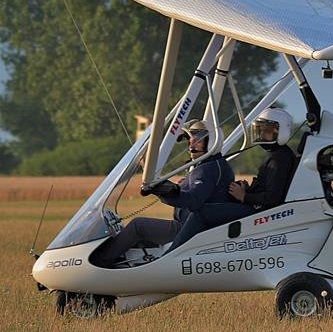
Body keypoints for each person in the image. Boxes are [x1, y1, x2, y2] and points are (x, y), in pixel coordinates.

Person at [94, 119, 233, 266]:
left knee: (138, 226)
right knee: (138, 235)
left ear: (211, 141)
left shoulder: (208, 168)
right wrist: (171, 188)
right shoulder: (210, 165)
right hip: (190, 225)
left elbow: (193, 201)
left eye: (198, 139)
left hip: (189, 229)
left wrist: (165, 191)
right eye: (189, 139)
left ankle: (99, 263)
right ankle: (125, 265)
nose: (191, 143)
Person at [172, 108, 297, 241]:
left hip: (261, 212)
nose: (261, 134)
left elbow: (272, 198)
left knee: (201, 212)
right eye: (260, 130)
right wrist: (247, 189)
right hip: (257, 206)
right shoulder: (278, 155)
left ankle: (176, 249)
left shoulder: (279, 159)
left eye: (267, 131)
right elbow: (268, 187)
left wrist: (244, 196)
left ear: (282, 132)